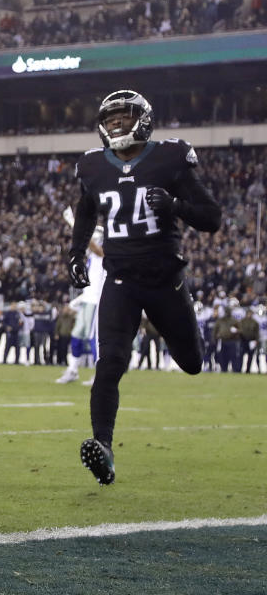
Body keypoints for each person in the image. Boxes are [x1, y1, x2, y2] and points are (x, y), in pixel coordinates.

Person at [67, 89, 222, 485]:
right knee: (109, 364)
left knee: (191, 362)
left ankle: (183, 335)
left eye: (124, 116)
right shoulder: (91, 166)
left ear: (143, 119)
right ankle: (103, 447)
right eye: (111, 118)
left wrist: (175, 205)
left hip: (165, 280)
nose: (117, 123)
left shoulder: (170, 157)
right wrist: (76, 252)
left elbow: (212, 217)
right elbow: (85, 210)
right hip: (120, 279)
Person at [56, 225, 105, 383]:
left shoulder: (105, 251)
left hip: (98, 301)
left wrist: (76, 226)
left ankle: (100, 374)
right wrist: (77, 301)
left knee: (93, 339)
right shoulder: (92, 257)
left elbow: (99, 251)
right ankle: (73, 370)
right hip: (87, 300)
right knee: (76, 336)